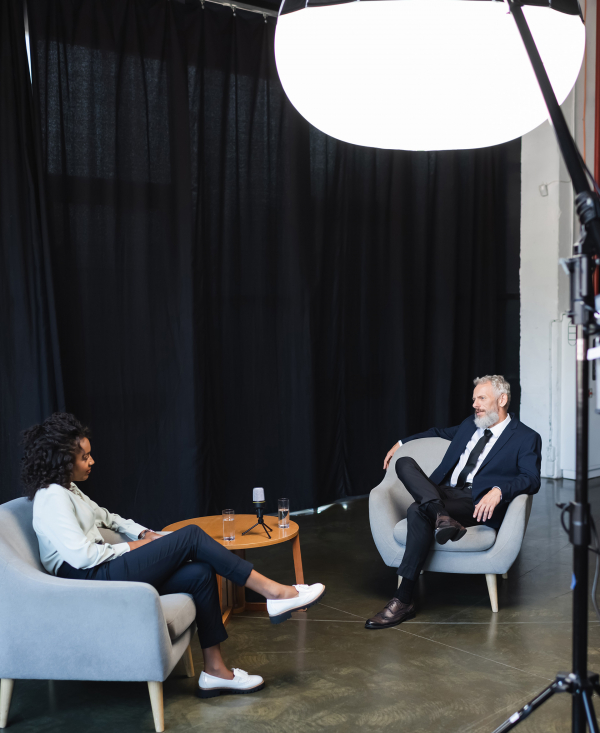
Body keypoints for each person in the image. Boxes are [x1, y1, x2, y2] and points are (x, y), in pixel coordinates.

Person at [22, 413, 325, 697]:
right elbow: (83, 557)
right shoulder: (52, 497)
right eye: (84, 457)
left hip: (101, 569)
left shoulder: (68, 489)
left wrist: (143, 533)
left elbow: (108, 518)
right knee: (191, 535)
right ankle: (274, 592)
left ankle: (215, 671)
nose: (92, 461)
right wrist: (136, 547)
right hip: (89, 580)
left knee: (199, 574)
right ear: (63, 460)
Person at [365, 375, 541, 630]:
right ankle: (440, 515)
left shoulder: (525, 437)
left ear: (502, 399)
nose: (475, 404)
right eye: (474, 399)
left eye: (482, 398)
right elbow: (437, 433)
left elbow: (531, 478)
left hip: (476, 501)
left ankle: (402, 599)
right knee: (404, 462)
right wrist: (401, 443)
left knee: (417, 510)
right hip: (444, 492)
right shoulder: (471, 424)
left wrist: (499, 491)